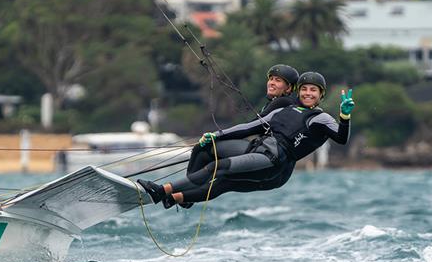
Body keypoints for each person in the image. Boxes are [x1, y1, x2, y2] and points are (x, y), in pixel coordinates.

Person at [138, 72, 354, 209]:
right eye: (304, 89)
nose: (308, 93)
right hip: (259, 150)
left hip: (274, 160)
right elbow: (247, 128)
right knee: (216, 168)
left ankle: (161, 190)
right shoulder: (284, 110)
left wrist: (345, 116)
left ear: (321, 95)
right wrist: (216, 135)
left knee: (218, 169)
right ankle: (175, 197)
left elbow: (341, 138)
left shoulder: (321, 117)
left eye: (313, 90)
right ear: (298, 91)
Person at [173, 64, 300, 209]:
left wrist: (216, 136)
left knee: (203, 149)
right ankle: (184, 197)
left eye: (277, 80)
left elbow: (249, 128)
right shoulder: (286, 104)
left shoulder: (283, 102)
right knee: (223, 181)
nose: (271, 82)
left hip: (269, 160)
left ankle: (179, 192)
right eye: (270, 79)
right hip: (279, 177)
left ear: (289, 88)